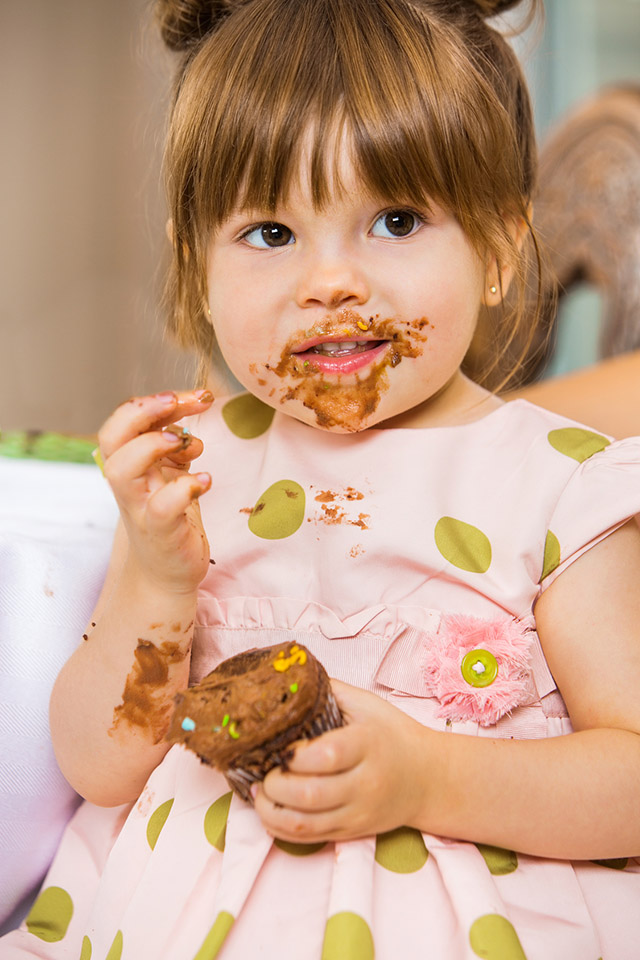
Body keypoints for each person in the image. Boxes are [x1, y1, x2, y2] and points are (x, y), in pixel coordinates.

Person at [3, 0, 640, 957]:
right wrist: (160, 579)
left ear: (502, 248)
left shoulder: (560, 487)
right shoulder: (195, 474)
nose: (330, 281)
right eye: (269, 233)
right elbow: (102, 763)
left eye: (395, 219)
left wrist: (430, 778)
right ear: (194, 265)